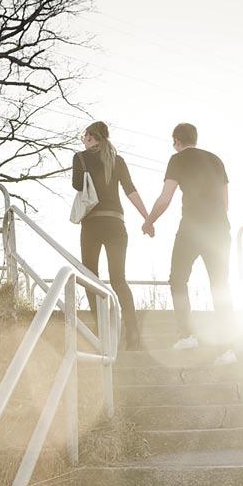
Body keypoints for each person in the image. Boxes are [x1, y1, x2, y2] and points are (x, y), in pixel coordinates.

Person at [142, 122, 237, 366]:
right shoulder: (216, 160)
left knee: (178, 279)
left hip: (192, 229)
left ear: (176, 141)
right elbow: (225, 202)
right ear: (195, 137)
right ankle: (228, 351)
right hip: (219, 230)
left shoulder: (178, 159)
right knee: (220, 286)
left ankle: (187, 335)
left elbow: (166, 198)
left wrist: (149, 221)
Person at [72, 121, 151, 350]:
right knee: (119, 280)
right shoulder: (117, 160)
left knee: (91, 278)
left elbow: (78, 185)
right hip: (117, 223)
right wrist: (147, 218)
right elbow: (130, 190)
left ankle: (103, 332)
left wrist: (87, 167)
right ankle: (133, 334)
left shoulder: (81, 158)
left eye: (85, 136)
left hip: (92, 225)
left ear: (89, 137)